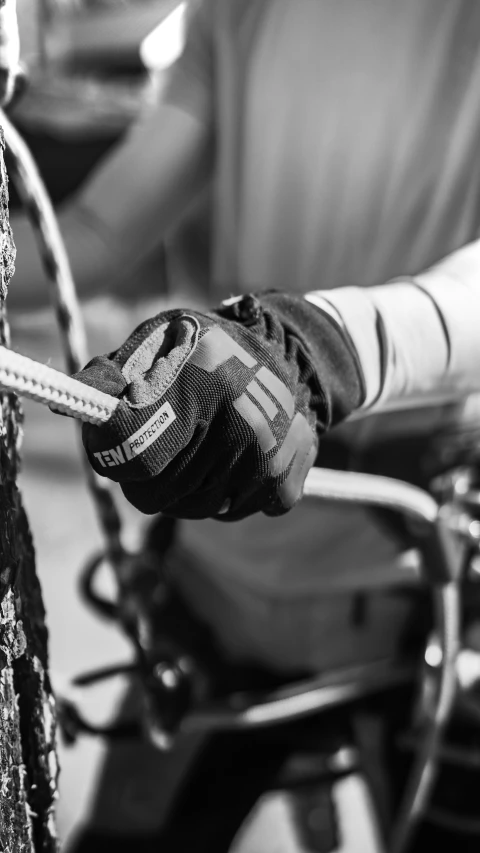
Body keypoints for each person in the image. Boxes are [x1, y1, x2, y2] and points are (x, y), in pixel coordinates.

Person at [8, 0, 480, 847]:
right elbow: (97, 233)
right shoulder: (238, 9)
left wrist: (322, 350)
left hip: (419, 600)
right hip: (217, 585)